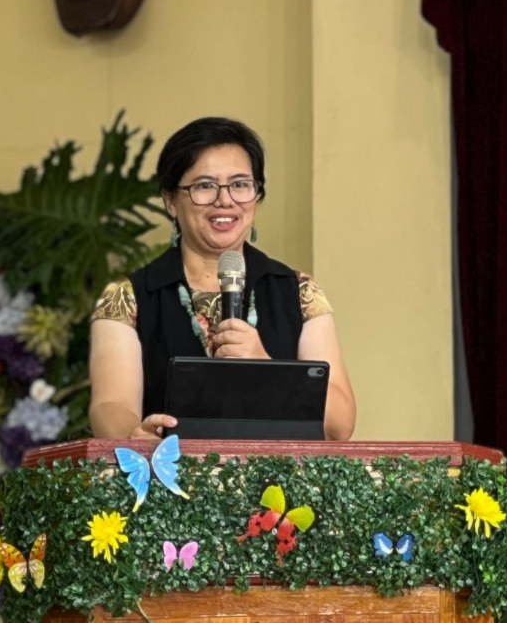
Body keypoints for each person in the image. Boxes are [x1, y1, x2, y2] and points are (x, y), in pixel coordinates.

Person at [88, 117, 356, 440]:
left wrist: (266, 368)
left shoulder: (299, 293)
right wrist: (133, 436)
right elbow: (111, 405)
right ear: (171, 201)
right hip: (169, 469)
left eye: (240, 184)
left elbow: (339, 427)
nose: (225, 200)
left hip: (278, 474)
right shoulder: (128, 297)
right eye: (205, 185)